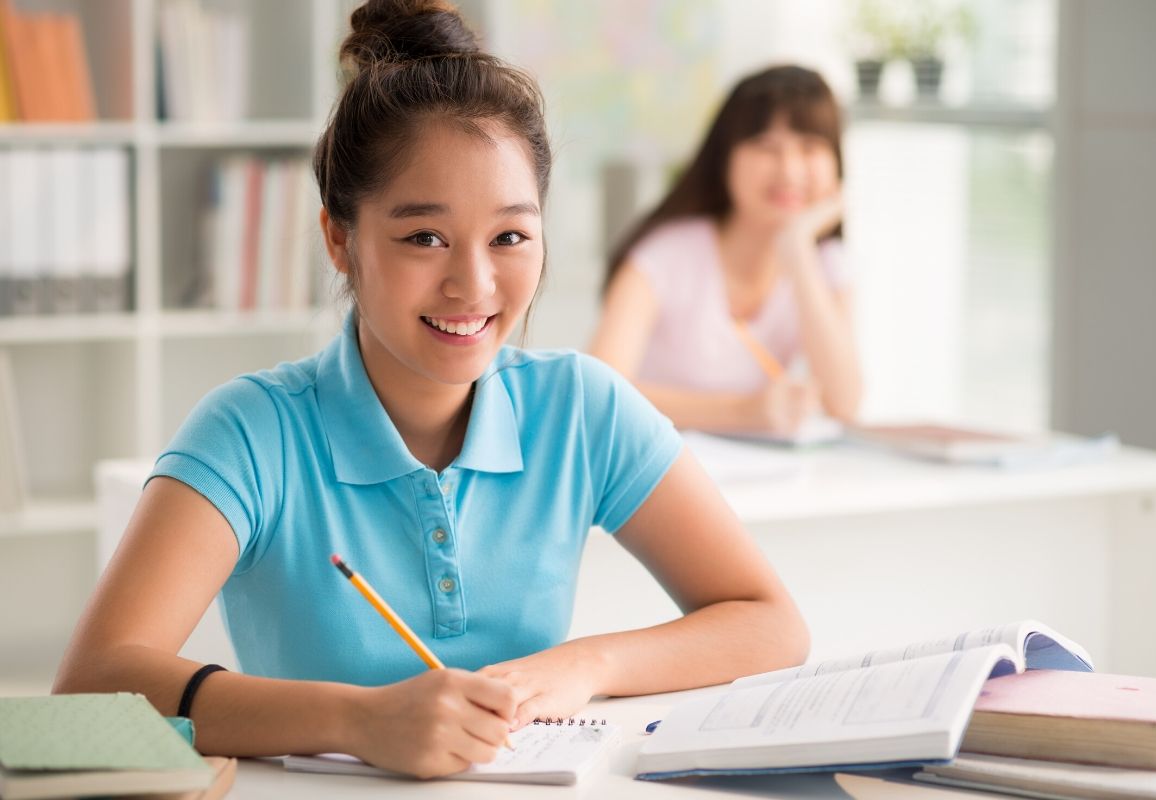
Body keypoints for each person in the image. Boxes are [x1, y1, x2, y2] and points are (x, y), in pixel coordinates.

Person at [52, 0, 808, 781]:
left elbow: (770, 623)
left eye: (510, 236)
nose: (473, 285)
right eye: (424, 237)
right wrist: (358, 719)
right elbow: (90, 687)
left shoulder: (582, 408)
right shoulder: (253, 430)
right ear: (339, 240)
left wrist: (581, 666)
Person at [589, 65, 862, 435]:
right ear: (725, 160)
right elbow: (597, 393)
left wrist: (798, 248)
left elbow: (844, 404)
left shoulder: (825, 263)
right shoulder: (663, 257)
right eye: (766, 147)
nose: (790, 169)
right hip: (650, 470)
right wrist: (742, 411)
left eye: (810, 147)